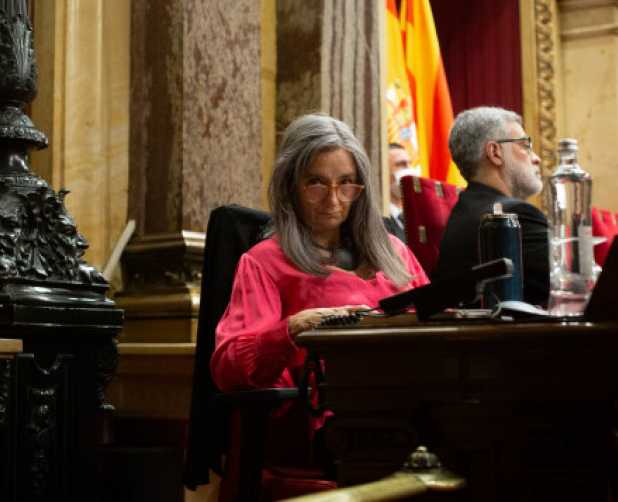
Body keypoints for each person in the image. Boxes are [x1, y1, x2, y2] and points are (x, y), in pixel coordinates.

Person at [211, 113, 428, 435]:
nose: (333, 198)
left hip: (410, 402)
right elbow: (231, 370)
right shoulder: (266, 261)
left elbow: (434, 321)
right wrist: (295, 327)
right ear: (291, 186)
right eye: (315, 183)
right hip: (328, 420)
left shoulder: (394, 251)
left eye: (346, 183)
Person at [436, 107, 550, 305]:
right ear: (495, 152)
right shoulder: (516, 215)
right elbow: (573, 283)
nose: (536, 158)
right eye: (525, 146)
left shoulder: (461, 213)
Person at [385, 142, 413, 240]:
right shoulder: (377, 219)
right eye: (401, 164)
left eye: (410, 164)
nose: (410, 170)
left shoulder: (412, 218)